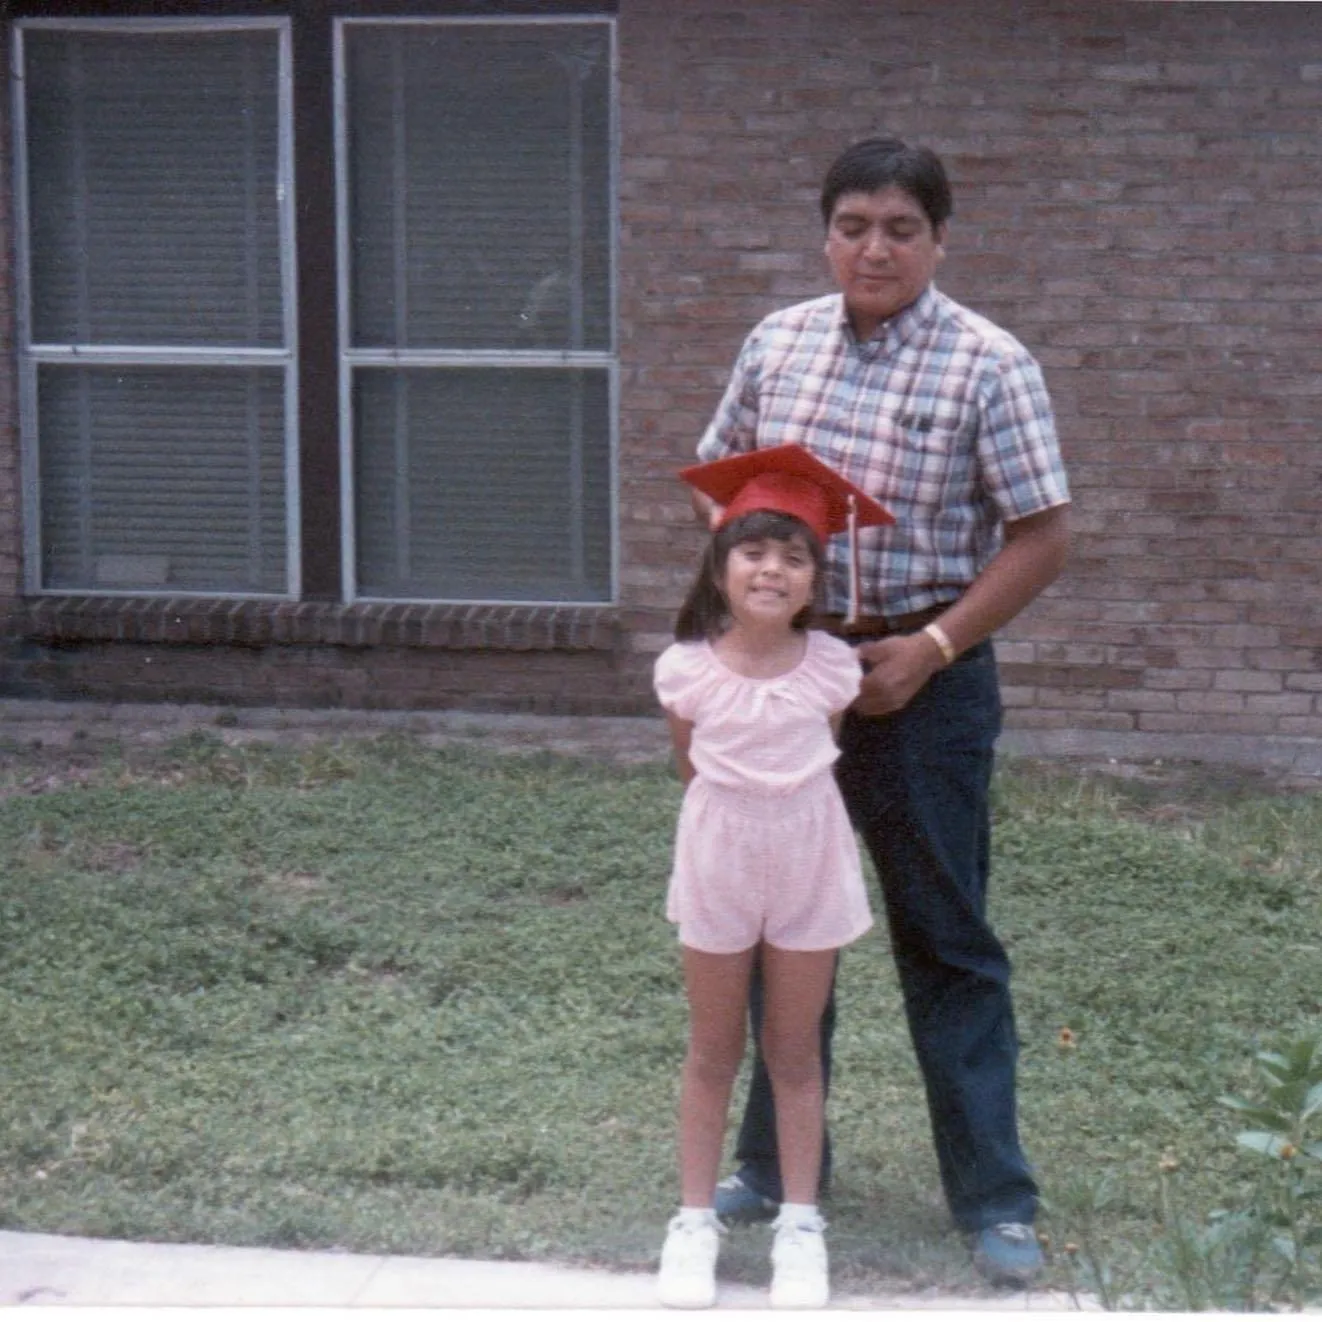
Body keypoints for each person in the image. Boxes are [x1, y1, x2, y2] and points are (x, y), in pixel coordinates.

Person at [687, 137, 1071, 1286]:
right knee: (778, 927)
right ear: (824, 232)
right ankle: (767, 1167)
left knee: (944, 933)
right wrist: (746, 645)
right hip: (788, 684)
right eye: (852, 223)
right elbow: (723, 494)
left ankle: (993, 1196)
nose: (873, 246)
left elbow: (1044, 535)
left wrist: (934, 644)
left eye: (900, 228)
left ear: (938, 240)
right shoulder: (779, 341)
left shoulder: (986, 364)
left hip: (923, 681)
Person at [652, 445, 893, 1310]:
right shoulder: (687, 669)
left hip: (808, 857)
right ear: (720, 567)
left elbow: (814, 746)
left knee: (793, 1051)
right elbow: (694, 768)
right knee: (712, 1048)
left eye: (795, 557)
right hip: (719, 855)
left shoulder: (831, 667)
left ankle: (800, 1224)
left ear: (813, 581)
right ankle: (691, 1224)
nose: (773, 569)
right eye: (754, 550)